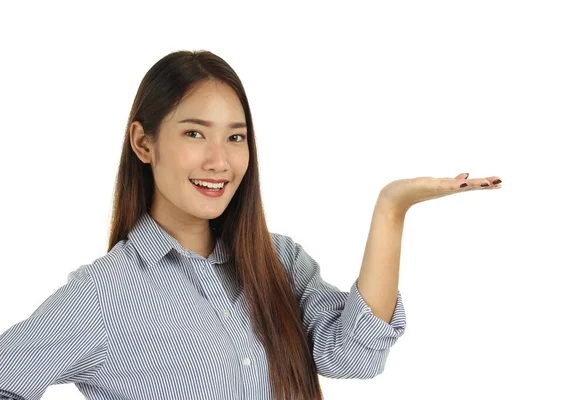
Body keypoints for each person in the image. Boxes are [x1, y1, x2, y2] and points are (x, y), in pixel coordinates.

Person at [0, 50, 409, 400]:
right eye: (195, 133)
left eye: (235, 138)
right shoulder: (105, 293)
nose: (220, 161)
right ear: (144, 143)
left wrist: (391, 210)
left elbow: (355, 354)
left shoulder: (280, 262)